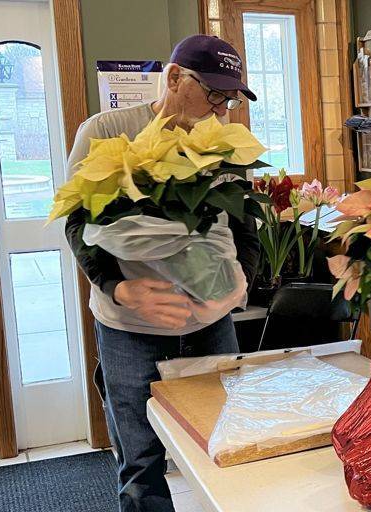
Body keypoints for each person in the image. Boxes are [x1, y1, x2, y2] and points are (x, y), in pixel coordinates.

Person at [64, 35, 260, 512]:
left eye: (230, 98)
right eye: (213, 92)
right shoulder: (107, 131)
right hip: (130, 329)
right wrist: (121, 288)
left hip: (210, 326)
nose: (221, 108)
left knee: (219, 449)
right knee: (140, 466)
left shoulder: (223, 147)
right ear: (174, 77)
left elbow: (245, 232)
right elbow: (77, 222)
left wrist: (238, 289)